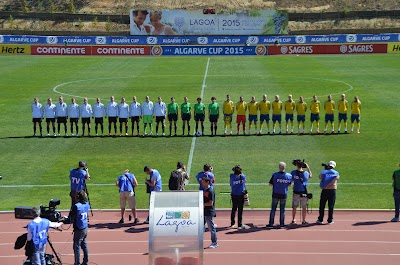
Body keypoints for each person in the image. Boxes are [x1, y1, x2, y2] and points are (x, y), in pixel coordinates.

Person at [267, 162, 292, 228]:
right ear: (285, 167)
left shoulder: (275, 175)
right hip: (283, 194)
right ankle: (282, 224)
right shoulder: (289, 176)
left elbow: (270, 184)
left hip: (275, 193)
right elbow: (289, 185)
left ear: (279, 167)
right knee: (282, 210)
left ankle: (271, 224)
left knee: (273, 209)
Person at [69, 190, 90, 265]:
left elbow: (70, 218)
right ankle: (85, 261)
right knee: (84, 245)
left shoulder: (76, 206)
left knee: (76, 247)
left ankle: (77, 263)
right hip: (85, 227)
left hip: (79, 229)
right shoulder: (87, 204)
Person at [291, 160, 312, 225]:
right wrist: (308, 167)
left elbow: (291, 180)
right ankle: (303, 220)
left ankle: (293, 220)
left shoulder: (293, 172)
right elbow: (311, 175)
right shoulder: (306, 173)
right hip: (303, 192)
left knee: (294, 206)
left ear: (297, 165)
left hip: (296, 192)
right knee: (304, 207)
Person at [203, 176, 218, 249]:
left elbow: (210, 203)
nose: (202, 183)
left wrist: (202, 205)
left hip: (209, 212)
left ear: (207, 182)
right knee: (201, 227)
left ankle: (214, 242)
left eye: (203, 181)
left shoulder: (210, 191)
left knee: (211, 228)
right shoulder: (205, 190)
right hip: (204, 212)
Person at [230, 165, 246, 229]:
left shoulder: (232, 176)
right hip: (240, 194)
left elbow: (231, 184)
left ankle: (232, 223)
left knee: (234, 208)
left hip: (234, 194)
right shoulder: (243, 176)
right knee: (240, 209)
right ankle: (239, 224)